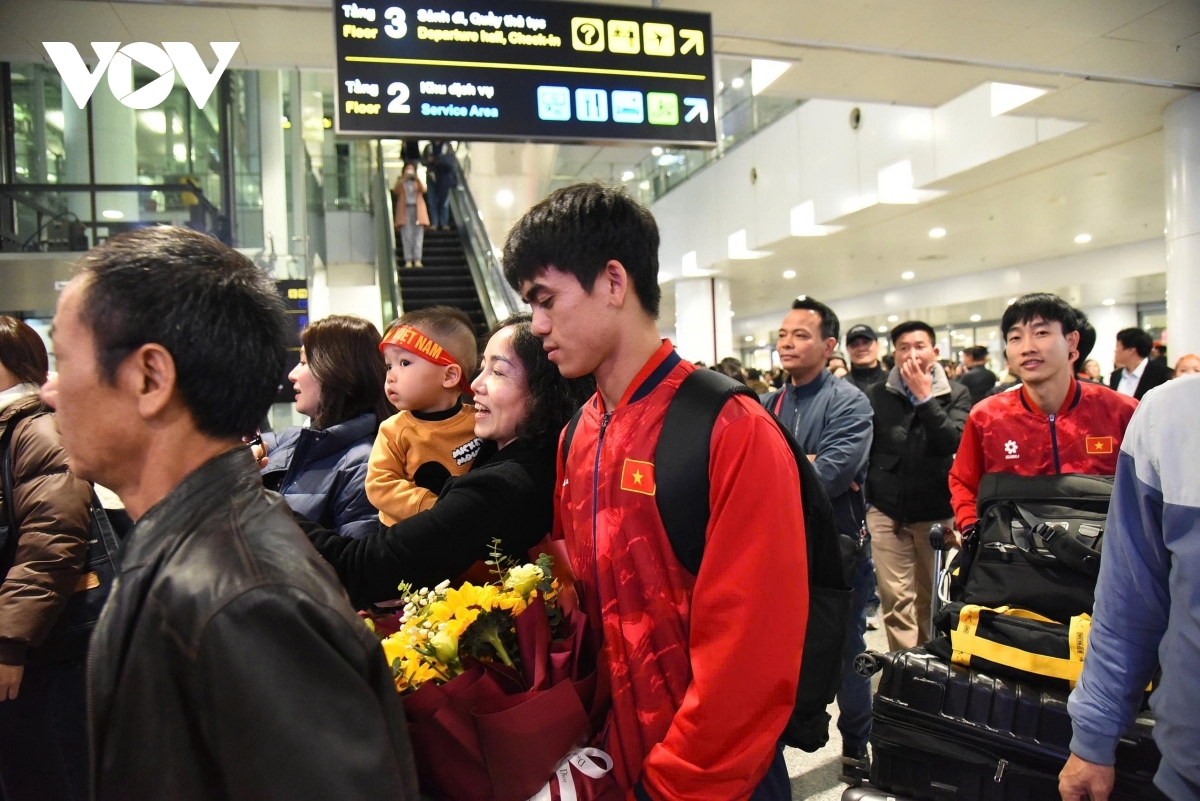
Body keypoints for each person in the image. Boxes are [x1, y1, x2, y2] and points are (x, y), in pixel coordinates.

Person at [40, 227, 419, 801]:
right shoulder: (201, 555)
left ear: (150, 378)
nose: (49, 392)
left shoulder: (244, 601)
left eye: (64, 362)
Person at [503, 183, 807, 800]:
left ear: (614, 282)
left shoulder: (729, 428)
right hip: (617, 760)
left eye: (546, 300)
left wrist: (673, 785)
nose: (537, 326)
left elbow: (751, 654)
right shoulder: (578, 436)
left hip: (714, 779)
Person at [303, 315, 594, 610]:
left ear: (545, 390)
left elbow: (360, 569)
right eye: (481, 367)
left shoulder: (505, 486)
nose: (475, 384)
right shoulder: (516, 455)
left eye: (497, 372)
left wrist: (273, 509)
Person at [1060, 375, 1200, 801]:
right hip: (1188, 767)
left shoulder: (1121, 407)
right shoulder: (1169, 415)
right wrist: (1094, 736)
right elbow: (1131, 601)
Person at [764, 298, 875, 778]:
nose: (787, 343)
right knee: (778, 651)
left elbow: (831, 475)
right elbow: (750, 474)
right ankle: (775, 743)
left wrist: (790, 469)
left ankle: (856, 744)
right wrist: (804, 464)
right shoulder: (768, 403)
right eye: (783, 334)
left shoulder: (849, 401)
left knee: (846, 651)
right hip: (781, 549)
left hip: (838, 551)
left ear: (829, 345)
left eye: (801, 335)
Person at [949, 294, 1137, 533]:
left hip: (1104, 547)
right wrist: (972, 531)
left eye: (1041, 333)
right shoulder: (987, 417)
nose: (1027, 348)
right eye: (1015, 338)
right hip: (1016, 549)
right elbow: (964, 482)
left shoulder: (1120, 411)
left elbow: (1149, 486)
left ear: (1071, 341)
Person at [0, 318, 92, 801]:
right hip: (32, 642)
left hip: (45, 647)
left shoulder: (35, 427)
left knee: (50, 776)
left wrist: (9, 641)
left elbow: (52, 540)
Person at [864, 320, 971, 652]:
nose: (911, 354)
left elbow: (951, 441)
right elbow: (869, 446)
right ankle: (902, 665)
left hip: (934, 511)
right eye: (903, 348)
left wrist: (926, 398)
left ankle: (926, 663)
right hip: (885, 510)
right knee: (895, 598)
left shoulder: (957, 392)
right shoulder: (877, 394)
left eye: (919, 346)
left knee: (930, 597)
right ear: (894, 354)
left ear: (934, 352)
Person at [258, 315, 390, 539]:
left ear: (336, 371)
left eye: (303, 363)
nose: (292, 375)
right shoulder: (295, 440)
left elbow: (350, 558)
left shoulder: (364, 466)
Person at [367, 307, 481, 527]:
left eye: (404, 363)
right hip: (409, 535)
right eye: (389, 365)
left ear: (449, 375)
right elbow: (380, 485)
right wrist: (435, 508)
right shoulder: (393, 430)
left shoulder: (479, 422)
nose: (390, 376)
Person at [1110, 327, 1172, 400]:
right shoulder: (1116, 376)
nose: (1115, 351)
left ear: (1131, 350)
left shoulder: (1162, 374)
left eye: (1117, 346)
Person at [393, 162, 429, 268]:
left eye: (411, 170)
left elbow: (423, 190)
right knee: (406, 235)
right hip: (405, 209)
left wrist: (417, 178)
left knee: (418, 235)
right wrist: (403, 179)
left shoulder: (417, 181)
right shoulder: (401, 181)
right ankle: (408, 259)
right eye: (407, 170)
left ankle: (417, 259)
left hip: (418, 209)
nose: (409, 173)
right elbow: (396, 191)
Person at [423, 140, 457, 230]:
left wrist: (436, 159)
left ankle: (444, 223)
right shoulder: (428, 147)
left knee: (444, 201)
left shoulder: (447, 146)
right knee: (432, 201)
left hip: (444, 178)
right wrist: (429, 161)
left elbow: (450, 161)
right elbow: (423, 161)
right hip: (432, 176)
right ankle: (435, 223)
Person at [845, 324, 885, 393]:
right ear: (848, 350)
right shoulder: (841, 386)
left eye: (866, 342)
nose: (861, 348)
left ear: (877, 345)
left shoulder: (892, 382)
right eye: (854, 345)